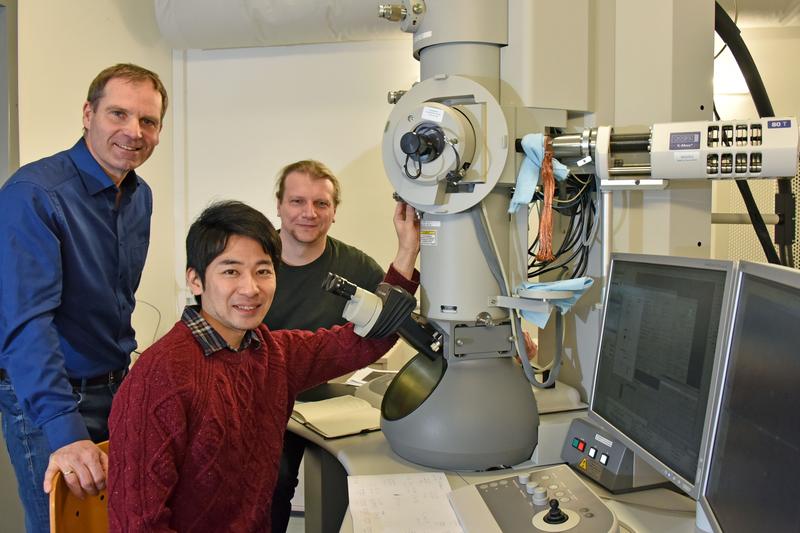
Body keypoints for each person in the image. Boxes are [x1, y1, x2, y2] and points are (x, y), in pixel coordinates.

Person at [107, 199, 419, 531]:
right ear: (195, 281)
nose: (250, 288)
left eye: (263, 271)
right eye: (231, 271)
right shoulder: (160, 376)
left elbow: (363, 342)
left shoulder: (273, 353)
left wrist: (407, 251)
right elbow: (137, 524)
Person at [0, 63, 167, 532]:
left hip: (114, 388)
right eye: (118, 114)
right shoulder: (34, 195)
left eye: (148, 121)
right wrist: (63, 430)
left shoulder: (140, 196)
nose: (133, 132)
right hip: (51, 399)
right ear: (88, 113)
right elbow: (26, 325)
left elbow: (118, 302)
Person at [265, 160, 387, 532]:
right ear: (279, 205)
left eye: (321, 204)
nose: (309, 213)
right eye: (297, 201)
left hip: (329, 398)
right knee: (272, 486)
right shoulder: (253, 258)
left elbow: (397, 317)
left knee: (361, 478)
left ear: (334, 212)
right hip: (265, 396)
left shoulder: (357, 267)